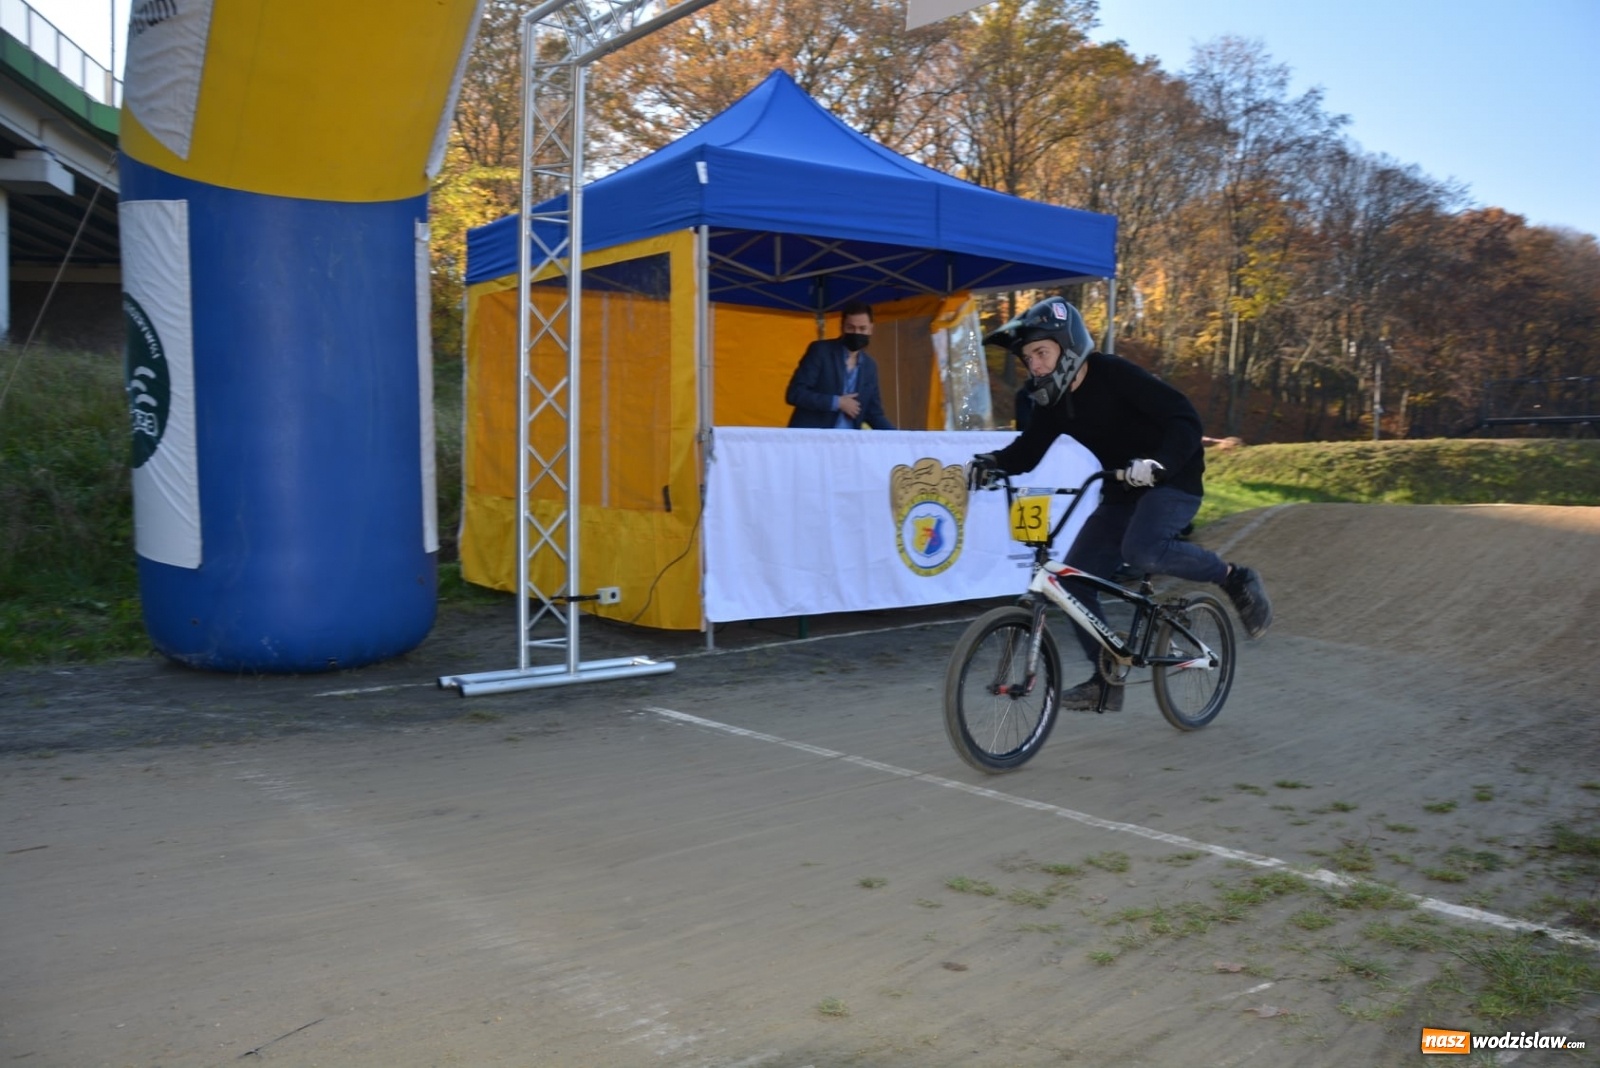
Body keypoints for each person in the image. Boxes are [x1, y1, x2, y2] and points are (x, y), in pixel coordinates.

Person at [967, 296, 1272, 711]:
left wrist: (1158, 464)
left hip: (1173, 480)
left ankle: (1233, 576)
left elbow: (1184, 418)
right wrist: (993, 464)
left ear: (1069, 345)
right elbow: (1028, 451)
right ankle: (1106, 679)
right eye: (1028, 358)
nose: (1035, 365)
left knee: (1142, 549)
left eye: (1041, 352)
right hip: (1121, 490)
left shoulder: (1113, 374)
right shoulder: (1053, 403)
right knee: (1072, 584)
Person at [785, 301, 896, 430]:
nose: (856, 332)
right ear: (842, 326)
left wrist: (902, 439)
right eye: (851, 328)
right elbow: (795, 394)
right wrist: (837, 402)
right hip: (812, 441)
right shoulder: (820, 351)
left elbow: (874, 413)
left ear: (871, 328)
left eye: (862, 328)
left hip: (847, 443)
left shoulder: (870, 366)